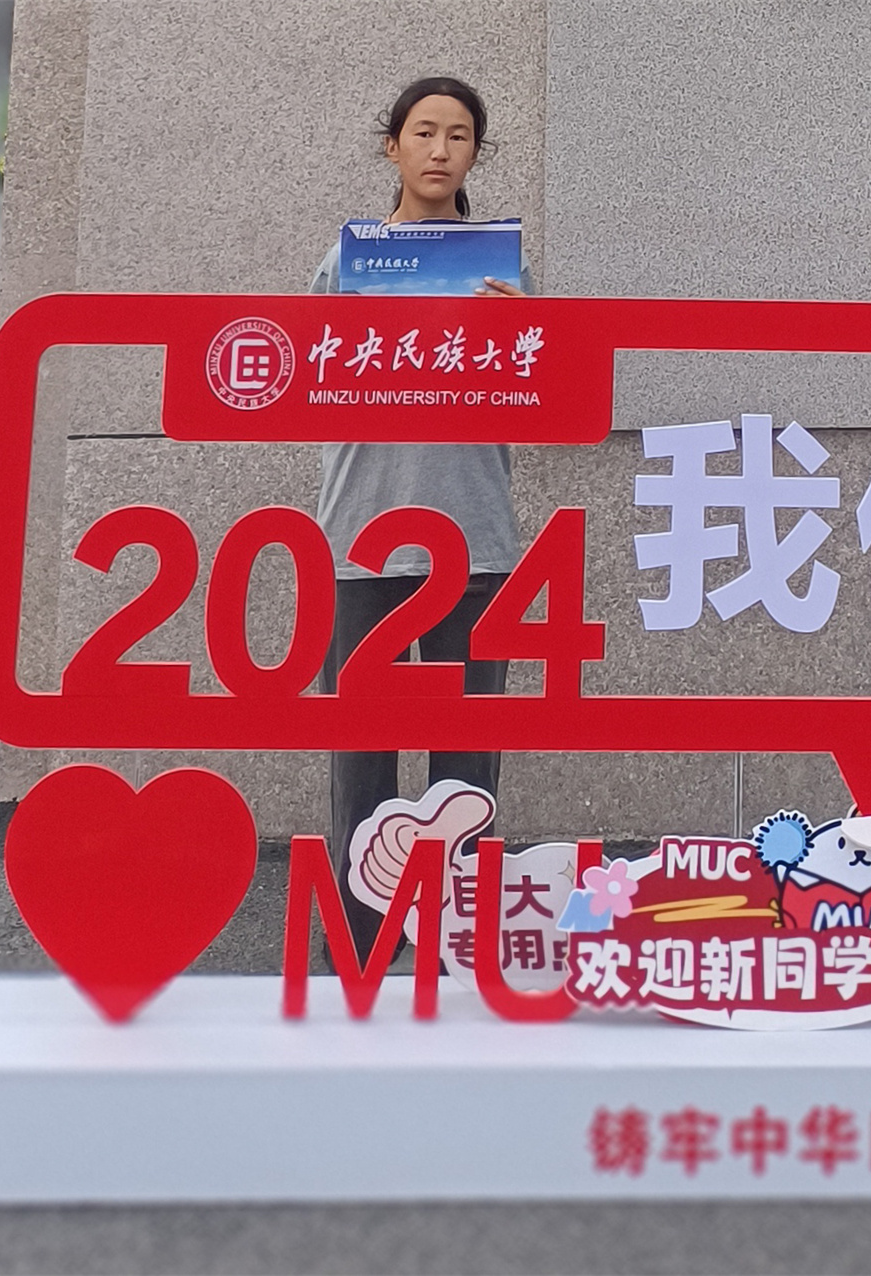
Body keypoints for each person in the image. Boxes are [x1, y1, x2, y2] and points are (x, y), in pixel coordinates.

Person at [311, 76, 524, 958]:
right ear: (391, 146)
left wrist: (526, 336)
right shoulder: (343, 266)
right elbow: (307, 385)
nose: (440, 150)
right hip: (362, 534)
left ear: (476, 153)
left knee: (466, 760)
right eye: (424, 132)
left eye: (459, 135)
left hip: (474, 535)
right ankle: (363, 943)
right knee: (359, 752)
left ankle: (456, 939)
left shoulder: (503, 276)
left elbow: (538, 405)